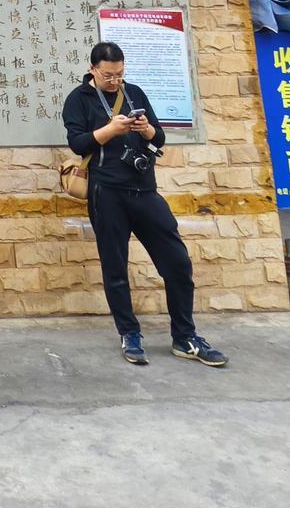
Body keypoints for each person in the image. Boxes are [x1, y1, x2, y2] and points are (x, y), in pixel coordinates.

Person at [63, 41, 227, 369]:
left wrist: (147, 129)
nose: (115, 81)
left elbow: (159, 137)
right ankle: (129, 333)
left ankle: (185, 336)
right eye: (108, 75)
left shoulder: (134, 92)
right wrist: (110, 130)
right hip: (106, 192)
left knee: (177, 263)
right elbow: (78, 142)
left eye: (120, 74)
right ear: (93, 69)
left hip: (144, 189)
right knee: (115, 268)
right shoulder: (78, 99)